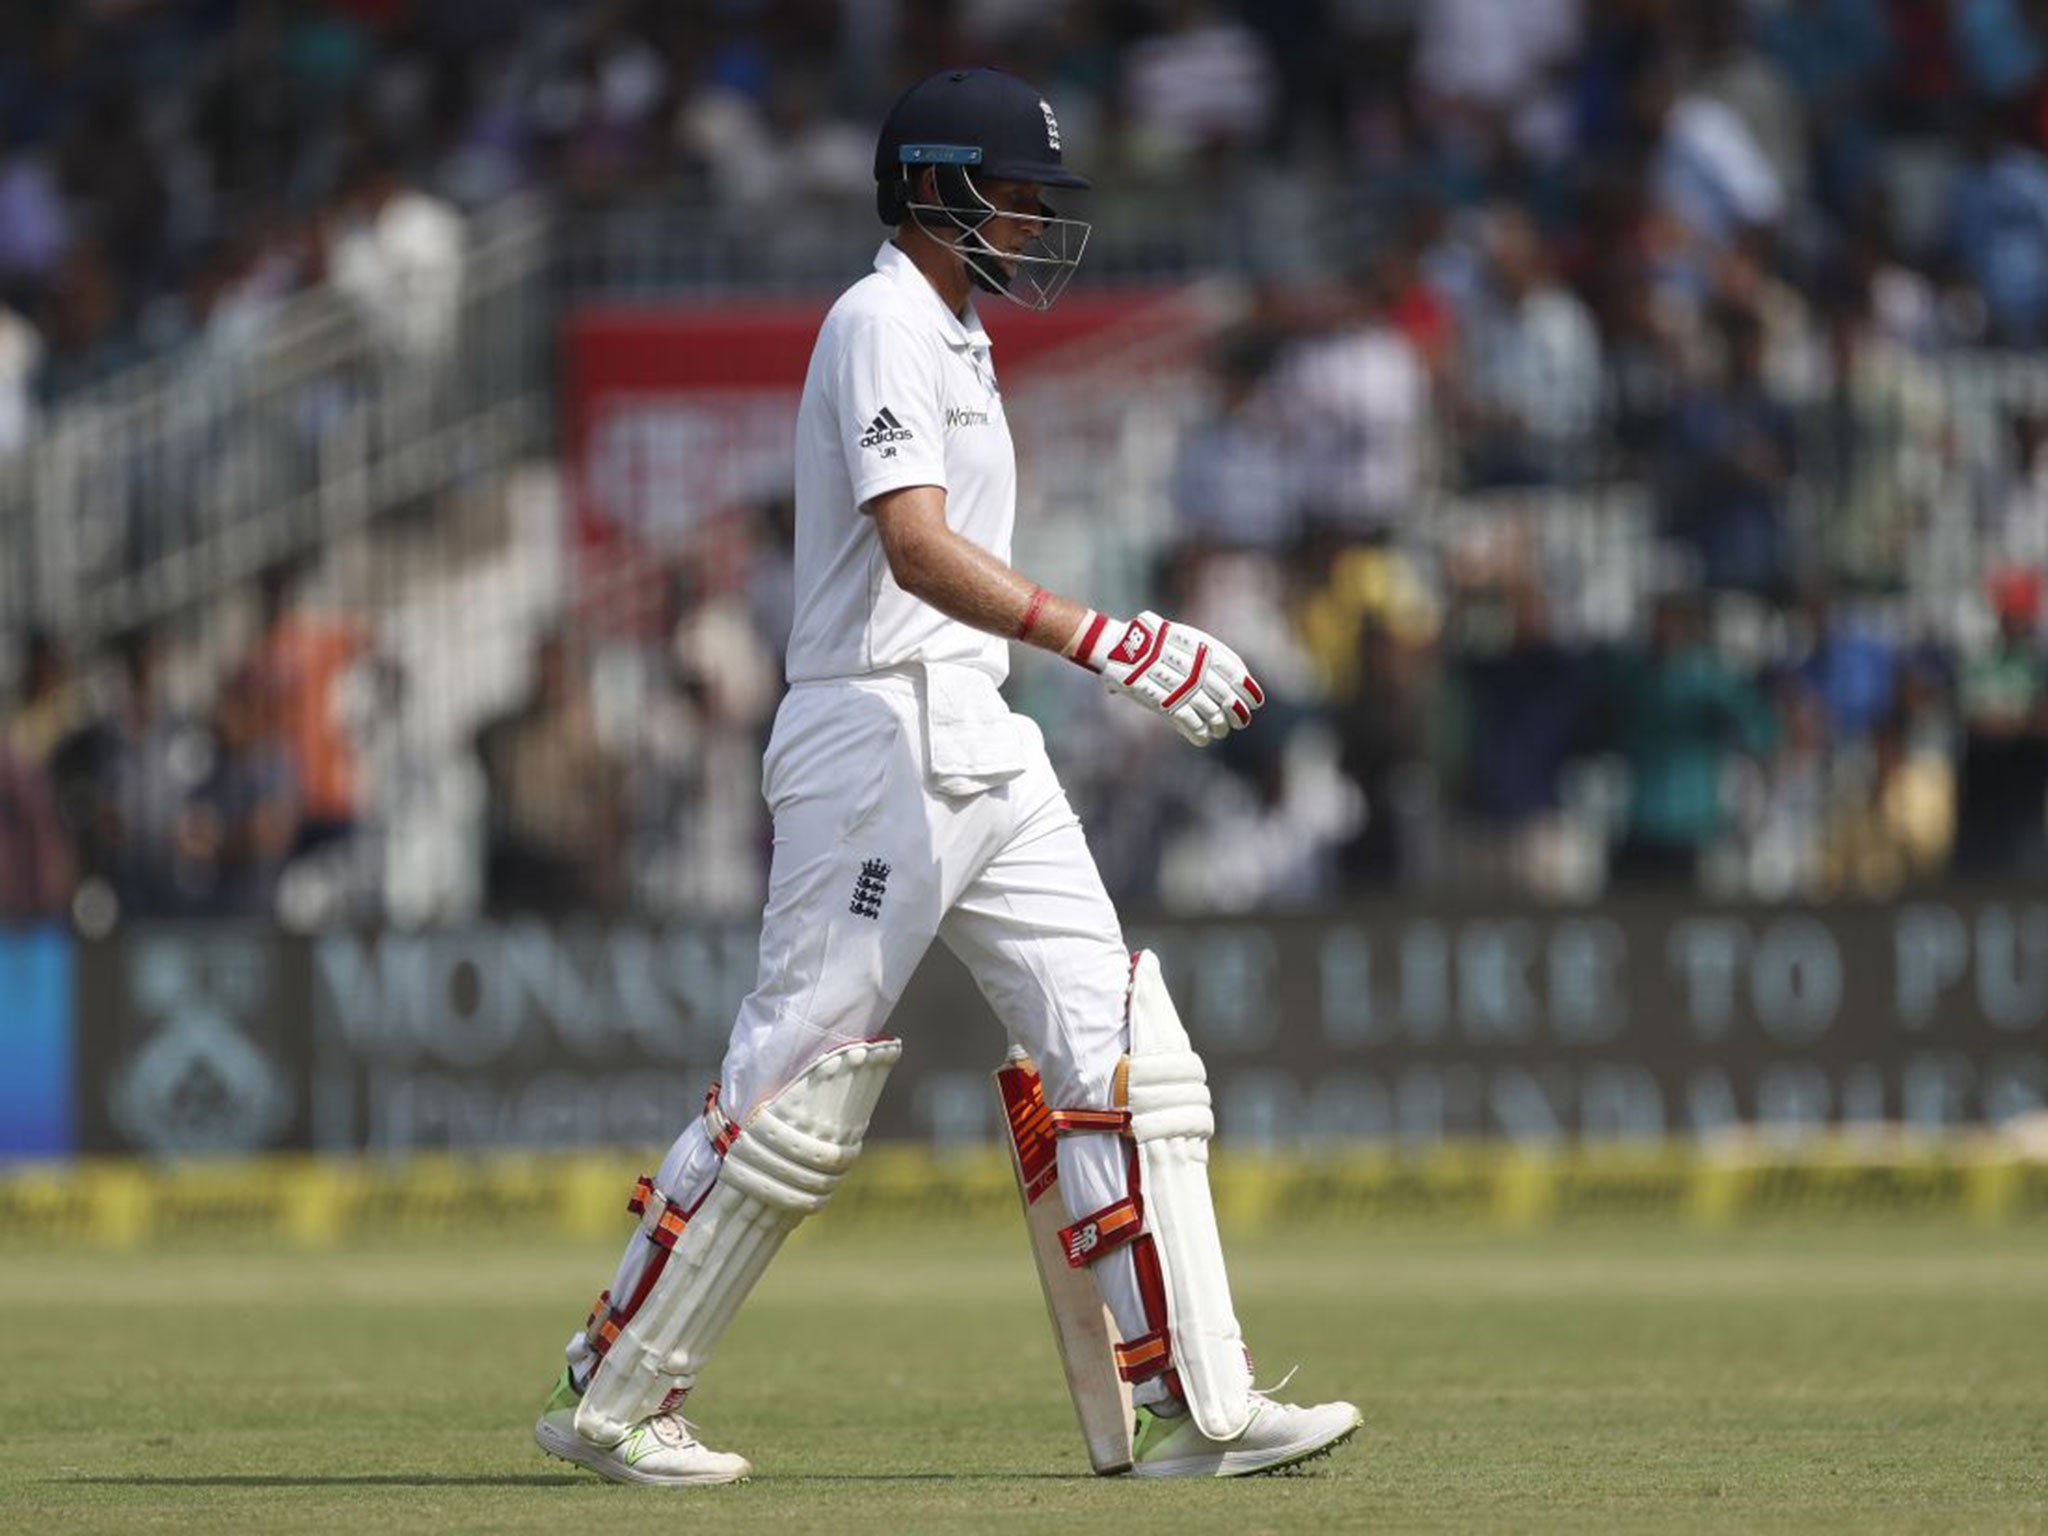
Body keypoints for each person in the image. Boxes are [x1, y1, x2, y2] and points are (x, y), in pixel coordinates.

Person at [533, 65, 1361, 1486]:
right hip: (877, 734)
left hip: (980, 730)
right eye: (1015, 196)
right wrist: (1108, 637)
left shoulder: (962, 340)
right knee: (800, 1087)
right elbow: (912, 547)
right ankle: (613, 1395)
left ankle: (1190, 1408)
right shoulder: (878, 323)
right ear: (931, 187)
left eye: (1044, 200)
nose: (1036, 225)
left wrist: (1076, 655)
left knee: (1117, 1051)